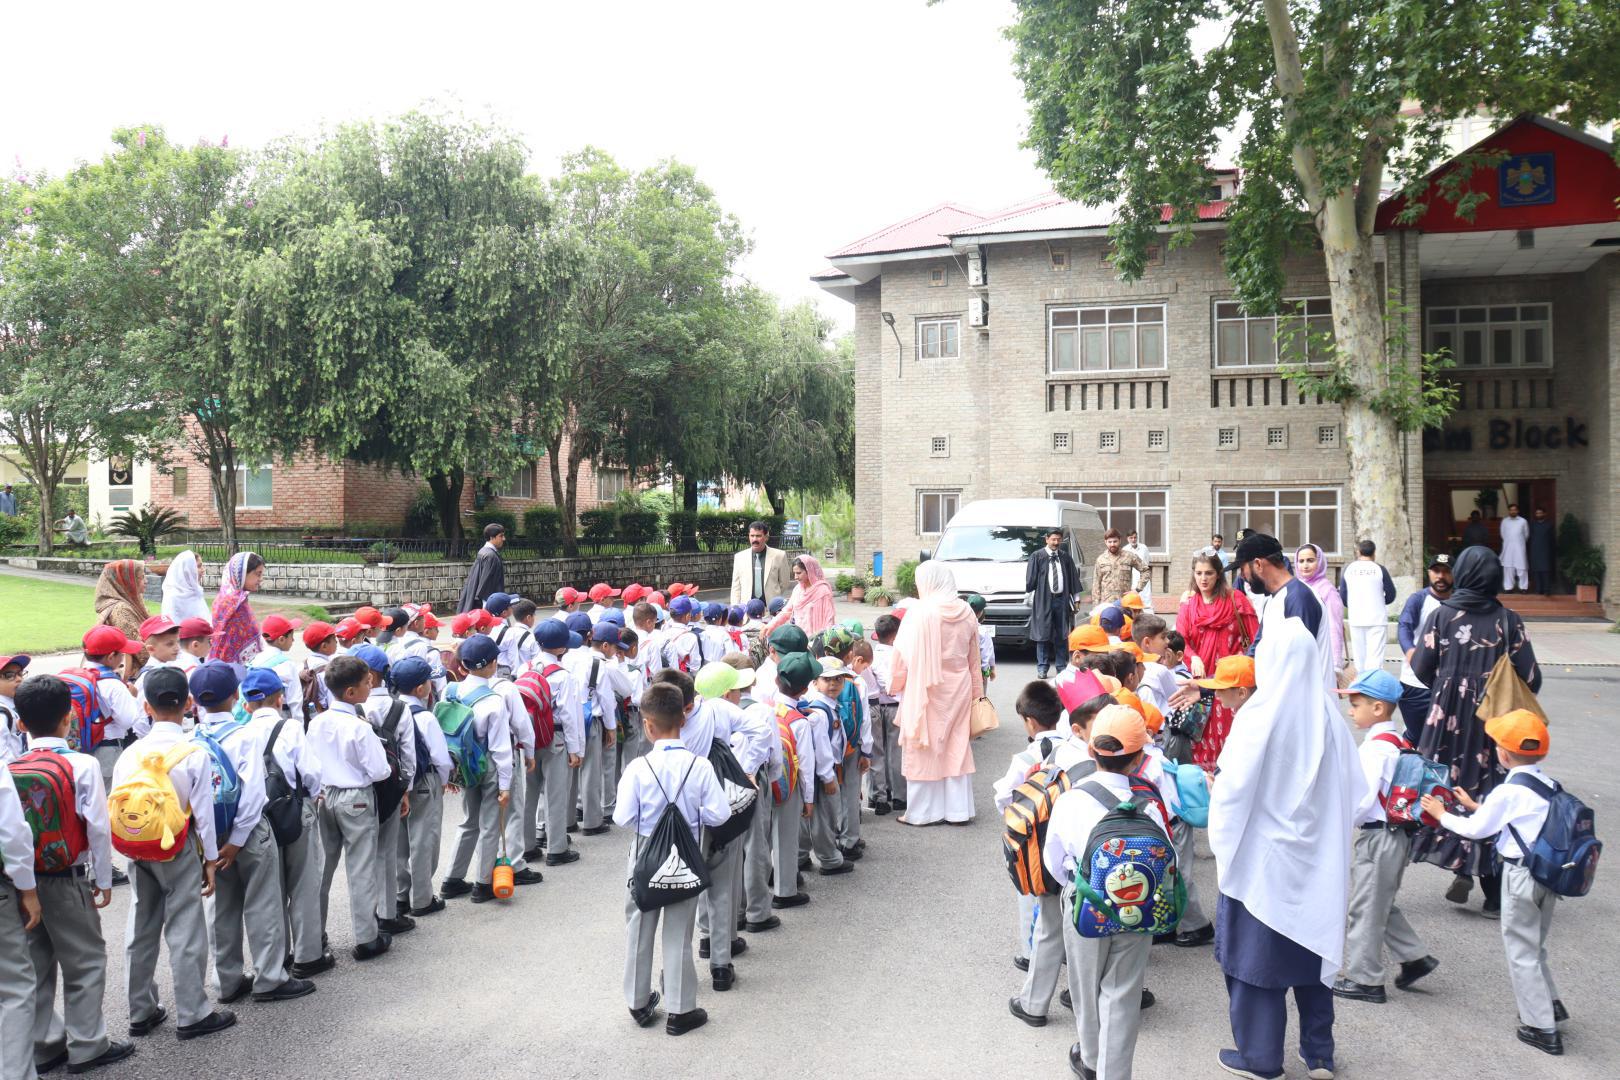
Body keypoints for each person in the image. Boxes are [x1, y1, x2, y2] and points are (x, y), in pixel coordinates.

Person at [1208, 619, 1363, 1080]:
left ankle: (1260, 1058)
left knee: (1257, 960)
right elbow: (1355, 792)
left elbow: (1232, 794)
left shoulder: (1259, 716)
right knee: (1312, 951)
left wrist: (1220, 835)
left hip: (1263, 864)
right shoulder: (1330, 718)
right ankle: (1319, 1054)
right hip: (1318, 863)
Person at [1420, 710, 1568, 1057]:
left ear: (1502, 753)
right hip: (1547, 875)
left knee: (1521, 951)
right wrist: (1476, 806)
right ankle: (1550, 1004)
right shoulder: (1548, 785)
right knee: (1535, 946)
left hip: (1520, 877)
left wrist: (1442, 815)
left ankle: (1542, 1028)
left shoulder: (1508, 791)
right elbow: (1517, 820)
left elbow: (1476, 831)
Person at [1408, 546, 1540, 917]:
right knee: (1490, 792)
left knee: (1447, 787)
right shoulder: (1508, 621)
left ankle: (1460, 864)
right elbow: (1531, 677)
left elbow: (1420, 668)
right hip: (1492, 724)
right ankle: (1494, 893)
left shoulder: (1441, 615)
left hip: (1445, 719)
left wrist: (1448, 685)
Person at [13, 674, 131, 1074]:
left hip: (23, 882)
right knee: (85, 960)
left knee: (34, 963)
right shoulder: (82, 764)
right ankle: (87, 1044)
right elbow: (97, 827)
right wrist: (103, 878)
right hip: (67, 876)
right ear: (69, 718)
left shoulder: (9, 767)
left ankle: (44, 1045)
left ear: (21, 723)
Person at [1045, 705, 1169, 1080]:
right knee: (1123, 991)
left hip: (1084, 904)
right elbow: (1169, 859)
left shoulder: (1071, 800)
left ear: (1090, 750)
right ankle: (1113, 1073)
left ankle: (1090, 1058)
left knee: (1084, 986)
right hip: (1137, 910)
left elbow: (1054, 862)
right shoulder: (1150, 805)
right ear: (1139, 759)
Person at [113, 667, 235, 1041]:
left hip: (137, 847)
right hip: (177, 846)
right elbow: (204, 815)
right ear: (189, 703)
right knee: (185, 927)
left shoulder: (130, 753)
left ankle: (140, 1010)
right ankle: (193, 1012)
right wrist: (210, 860)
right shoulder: (193, 753)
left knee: (141, 924)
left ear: (146, 706)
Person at [614, 681, 733, 1037]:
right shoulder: (700, 766)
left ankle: (638, 1001)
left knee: (639, 926)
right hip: (686, 854)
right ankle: (681, 1011)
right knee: (679, 933)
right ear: (683, 718)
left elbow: (622, 817)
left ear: (647, 725)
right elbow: (720, 814)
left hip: (645, 852)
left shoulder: (638, 768)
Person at [192, 665, 314, 1006]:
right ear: (235, 696)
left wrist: (211, 844)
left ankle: (226, 980)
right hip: (248, 831)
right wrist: (238, 839)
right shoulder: (244, 736)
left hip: (210, 834)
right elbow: (254, 794)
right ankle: (269, 978)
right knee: (263, 903)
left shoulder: (193, 738)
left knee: (221, 906)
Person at [1331, 669, 1438, 1006]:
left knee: (1364, 906)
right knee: (1380, 899)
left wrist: (1339, 823)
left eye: (1356, 704)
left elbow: (1362, 798)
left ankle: (1365, 979)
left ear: (1378, 708)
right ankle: (1415, 957)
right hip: (1396, 835)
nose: (1351, 711)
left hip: (1379, 836)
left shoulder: (1375, 749)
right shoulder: (1398, 742)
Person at [307, 655, 393, 960]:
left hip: (324, 794)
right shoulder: (359, 727)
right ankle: (367, 937)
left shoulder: (316, 723)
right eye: (366, 683)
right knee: (361, 868)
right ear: (351, 692)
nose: (371, 686)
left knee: (321, 869)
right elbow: (380, 771)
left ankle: (313, 938)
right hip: (356, 796)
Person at [994, 680, 1068, 1026]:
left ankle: (1031, 975)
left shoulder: (1025, 758)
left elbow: (1004, 798)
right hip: (1073, 844)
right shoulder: (1075, 749)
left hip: (1036, 845)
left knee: (1039, 909)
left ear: (1029, 721)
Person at [891, 562, 984, 826]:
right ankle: (957, 811)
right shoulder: (967, 611)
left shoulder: (919, 612)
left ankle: (922, 813)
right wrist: (977, 693)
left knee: (923, 745)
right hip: (959, 686)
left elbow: (901, 656)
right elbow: (974, 658)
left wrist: (895, 684)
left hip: (925, 688)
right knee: (956, 744)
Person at [439, 635, 521, 900]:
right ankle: (483, 883)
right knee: (489, 824)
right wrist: (505, 786)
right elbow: (501, 748)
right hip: (487, 766)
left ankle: (452, 879)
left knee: (468, 820)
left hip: (462, 765)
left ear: (463, 664)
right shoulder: (493, 700)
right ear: (493, 663)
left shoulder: (450, 691)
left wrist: (449, 772)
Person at [1171, 556, 1257, 766]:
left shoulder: (1236, 600)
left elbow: (1256, 639)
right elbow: (1181, 641)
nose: (1203, 578)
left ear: (1218, 574)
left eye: (1209, 573)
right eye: (1199, 573)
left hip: (1232, 684)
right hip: (1200, 683)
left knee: (1234, 740)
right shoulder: (1189, 606)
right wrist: (1193, 656)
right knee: (1200, 739)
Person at [389, 657, 450, 919]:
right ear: (420, 688)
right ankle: (422, 898)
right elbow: (440, 757)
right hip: (424, 781)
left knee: (399, 842)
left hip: (397, 783)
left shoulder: (391, 710)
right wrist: (443, 782)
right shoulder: (424, 717)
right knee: (424, 840)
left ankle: (401, 895)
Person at [1233, 533, 1333, 690]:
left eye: (1242, 569)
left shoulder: (1299, 598)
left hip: (1308, 703)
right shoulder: (1274, 599)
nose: (1242, 577)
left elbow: (1297, 665)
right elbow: (1255, 652)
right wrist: (1212, 683)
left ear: (1258, 564)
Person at [1395, 554, 1452, 741]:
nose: (1440, 576)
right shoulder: (1418, 599)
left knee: (1444, 739)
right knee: (1416, 737)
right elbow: (1404, 626)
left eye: (1446, 571)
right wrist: (1410, 650)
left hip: (1449, 684)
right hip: (1415, 682)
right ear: (1429, 573)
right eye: (1436, 571)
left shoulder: (1460, 602)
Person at [1026, 527, 1083, 679]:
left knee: (1062, 635)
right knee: (1042, 634)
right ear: (1047, 539)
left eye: (1058, 539)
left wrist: (1076, 599)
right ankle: (1042, 668)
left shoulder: (1065, 557)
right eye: (1053, 539)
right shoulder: (1037, 556)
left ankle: (1061, 667)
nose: (1056, 542)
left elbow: (1073, 580)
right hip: (1043, 600)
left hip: (1061, 600)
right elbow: (1030, 582)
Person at [865, 614, 904, 815]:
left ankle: (877, 795)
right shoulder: (898, 657)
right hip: (895, 707)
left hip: (875, 707)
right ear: (895, 636)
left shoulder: (872, 656)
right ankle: (899, 796)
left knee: (875, 752)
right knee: (896, 753)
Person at [1339, 540, 1396, 676]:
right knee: (1375, 660)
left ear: (1358, 552)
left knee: (1359, 660)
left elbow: (1343, 596)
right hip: (1377, 620)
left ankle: (1361, 684)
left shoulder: (1348, 569)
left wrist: (1353, 605)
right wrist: (1380, 601)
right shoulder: (1380, 569)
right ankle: (1373, 684)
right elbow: (1391, 595)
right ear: (1374, 553)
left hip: (1356, 619)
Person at [1294, 544, 1345, 674]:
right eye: (1301, 561)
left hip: (1320, 654)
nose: (1305, 565)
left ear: (1320, 562)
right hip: (1298, 653)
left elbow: (1334, 626)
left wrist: (1335, 663)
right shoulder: (1295, 587)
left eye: (1310, 560)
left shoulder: (1327, 590)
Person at [760, 555, 838, 640]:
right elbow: (786, 612)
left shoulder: (822, 591)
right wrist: (771, 625)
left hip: (817, 640)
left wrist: (826, 640)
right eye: (794, 573)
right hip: (799, 638)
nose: (795, 577)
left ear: (809, 571)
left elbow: (829, 619)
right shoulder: (798, 590)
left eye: (799, 573)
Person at [209, 552, 265, 668]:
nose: (261, 579)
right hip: (230, 668)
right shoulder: (231, 603)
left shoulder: (238, 599)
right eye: (257, 574)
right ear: (243, 574)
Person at [93, 560, 151, 669]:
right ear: (126, 581)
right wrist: (162, 661)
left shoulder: (132, 601)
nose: (146, 581)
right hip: (133, 671)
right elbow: (140, 650)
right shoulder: (120, 609)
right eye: (141, 577)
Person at [731, 521, 794, 606]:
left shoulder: (779, 555)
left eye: (758, 536)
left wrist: (773, 594)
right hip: (747, 609)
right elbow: (736, 587)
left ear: (766, 537)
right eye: (752, 536)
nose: (754, 539)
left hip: (770, 608)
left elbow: (784, 583)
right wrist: (735, 607)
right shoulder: (739, 557)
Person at [1091, 528, 1149, 612]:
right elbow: (1096, 584)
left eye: (1115, 541)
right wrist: (1096, 607)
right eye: (1110, 542)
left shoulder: (1129, 556)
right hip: (1107, 605)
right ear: (1105, 542)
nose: (1112, 544)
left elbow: (1145, 571)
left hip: (1125, 603)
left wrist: (1137, 589)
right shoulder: (1101, 560)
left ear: (1120, 541)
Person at [457, 523, 508, 613]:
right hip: (489, 604)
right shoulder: (490, 556)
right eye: (501, 536)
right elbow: (487, 586)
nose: (504, 539)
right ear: (492, 537)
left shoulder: (484, 551)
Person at [159, 550, 210, 624]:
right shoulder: (173, 597)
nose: (203, 570)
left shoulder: (196, 591)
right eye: (199, 566)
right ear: (187, 570)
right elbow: (171, 625)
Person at [0, 655, 28, 765]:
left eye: (20, 674)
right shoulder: (2, 714)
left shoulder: (13, 703)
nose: (19, 679)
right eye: (9, 676)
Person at [1499, 503, 1529, 592]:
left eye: (1514, 510)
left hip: (1520, 549)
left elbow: (1526, 535)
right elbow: (1502, 534)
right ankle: (1508, 587)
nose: (1513, 511)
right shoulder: (1504, 521)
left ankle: (1523, 587)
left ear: (1517, 511)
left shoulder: (1523, 521)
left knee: (1522, 568)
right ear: (1509, 511)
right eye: (1511, 510)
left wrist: (1518, 542)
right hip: (1508, 549)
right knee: (1508, 568)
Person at [1528, 508, 1557, 595]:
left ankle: (1546, 590)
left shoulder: (1549, 525)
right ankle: (1538, 590)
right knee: (1536, 571)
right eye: (1537, 513)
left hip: (1546, 550)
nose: (1539, 515)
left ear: (1545, 514)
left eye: (1540, 513)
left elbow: (1552, 539)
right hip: (1535, 550)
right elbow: (1530, 538)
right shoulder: (1532, 525)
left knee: (1545, 571)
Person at [1123, 530, 1153, 610]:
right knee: (1133, 600)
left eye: (1135, 537)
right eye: (1131, 538)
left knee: (1146, 599)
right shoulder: (1125, 550)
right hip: (1131, 577)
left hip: (1142, 576)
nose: (1133, 540)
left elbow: (1147, 561)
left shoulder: (1144, 548)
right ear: (1127, 539)